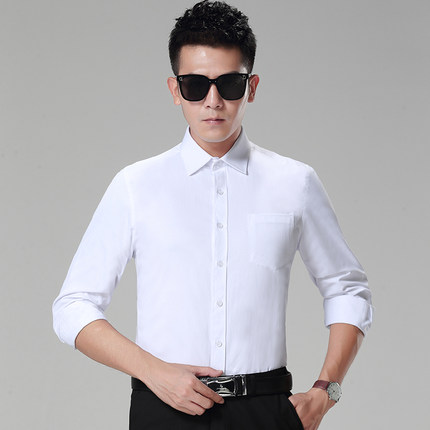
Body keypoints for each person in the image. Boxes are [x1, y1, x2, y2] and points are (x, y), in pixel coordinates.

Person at [52, 1, 373, 429]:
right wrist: (151, 370)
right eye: (195, 85)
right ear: (174, 89)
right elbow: (72, 306)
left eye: (230, 84)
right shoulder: (136, 185)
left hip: (265, 410)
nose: (213, 101)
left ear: (251, 87)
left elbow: (347, 288)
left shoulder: (294, 182)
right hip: (163, 408)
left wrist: (326, 391)